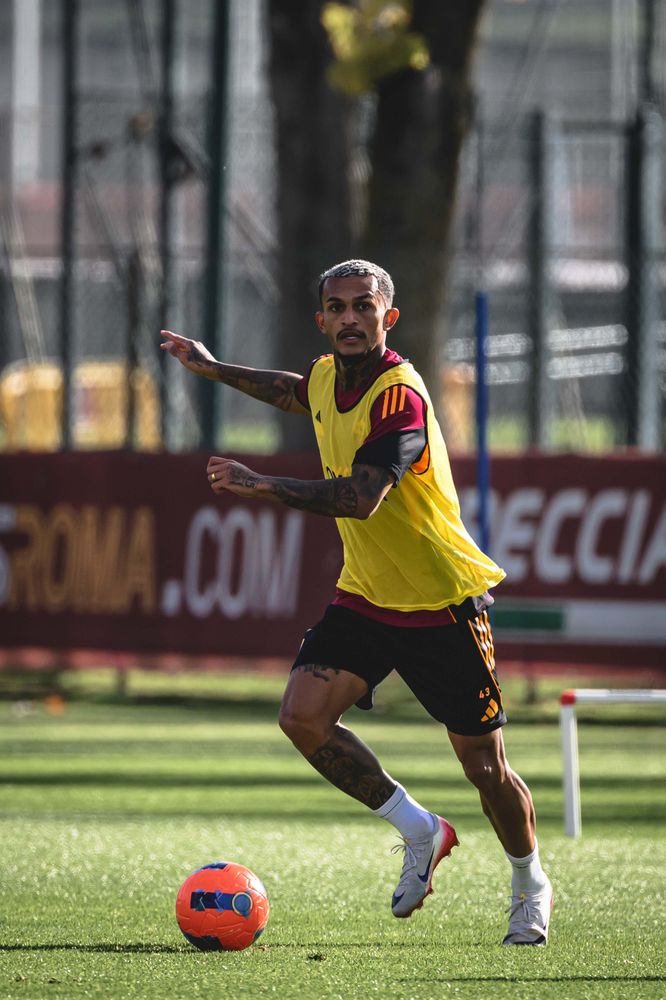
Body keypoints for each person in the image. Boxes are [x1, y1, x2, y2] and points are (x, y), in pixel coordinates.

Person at [160, 258, 552, 944]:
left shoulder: (400, 397)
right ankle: (420, 830)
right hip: (367, 596)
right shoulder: (325, 376)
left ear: (387, 318)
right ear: (322, 320)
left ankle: (530, 884)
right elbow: (295, 391)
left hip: (441, 603)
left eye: (362, 306)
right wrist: (214, 368)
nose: (349, 318)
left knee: (485, 768)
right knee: (302, 718)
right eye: (337, 307)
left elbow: (361, 497)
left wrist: (259, 483)